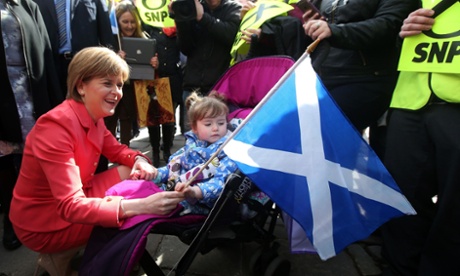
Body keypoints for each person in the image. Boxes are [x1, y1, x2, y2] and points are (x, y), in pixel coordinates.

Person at [9, 47, 184, 276]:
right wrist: (140, 206)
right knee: (138, 208)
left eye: (120, 85)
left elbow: (120, 152)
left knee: (132, 176)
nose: (117, 92)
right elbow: (70, 206)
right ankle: (62, 254)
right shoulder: (55, 127)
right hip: (43, 224)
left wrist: (139, 160)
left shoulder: (92, 116)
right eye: (107, 83)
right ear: (81, 86)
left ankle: (77, 254)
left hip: (72, 201)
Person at [381, 6, 460, 276]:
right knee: (402, 192)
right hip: (410, 100)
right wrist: (402, 32)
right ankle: (398, 268)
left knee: (454, 206)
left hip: (454, 103)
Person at [302, 0, 417, 159]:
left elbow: (387, 26)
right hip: (322, 74)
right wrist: (312, 24)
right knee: (304, 137)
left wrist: (334, 31)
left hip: (365, 78)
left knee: (322, 139)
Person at [0, 0, 63, 251]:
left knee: (38, 158)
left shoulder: (27, 5)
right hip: (3, 95)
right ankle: (11, 221)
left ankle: (43, 216)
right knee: (4, 162)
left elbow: (46, 54)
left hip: (30, 94)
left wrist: (57, 105)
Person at [152, 92, 238, 215]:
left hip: (202, 203)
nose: (215, 128)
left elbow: (220, 183)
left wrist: (194, 191)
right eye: (208, 124)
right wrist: (155, 175)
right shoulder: (191, 145)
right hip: (175, 192)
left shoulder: (228, 151)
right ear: (194, 128)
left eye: (221, 123)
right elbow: (173, 166)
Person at [171, 0, 241, 132]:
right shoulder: (193, 7)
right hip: (192, 88)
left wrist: (203, 18)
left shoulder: (233, 8)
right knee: (191, 138)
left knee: (218, 136)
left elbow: (230, 36)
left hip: (220, 88)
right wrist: (181, 19)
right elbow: (186, 48)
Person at [32, 0, 115, 98]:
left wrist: (111, 58)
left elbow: (105, 32)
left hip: (85, 65)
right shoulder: (35, 2)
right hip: (51, 66)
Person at [104, 0, 151, 147]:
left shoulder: (144, 40)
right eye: (125, 21)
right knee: (109, 122)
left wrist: (153, 63)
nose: (129, 26)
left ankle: (125, 153)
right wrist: (114, 58)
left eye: (132, 22)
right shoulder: (109, 41)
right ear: (117, 21)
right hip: (111, 88)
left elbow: (147, 69)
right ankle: (108, 151)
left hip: (131, 89)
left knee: (126, 121)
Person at [142, 22, 184, 166]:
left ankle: (166, 150)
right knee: (152, 120)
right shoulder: (150, 28)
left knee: (168, 120)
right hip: (153, 79)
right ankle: (155, 150)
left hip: (171, 80)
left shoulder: (178, 32)